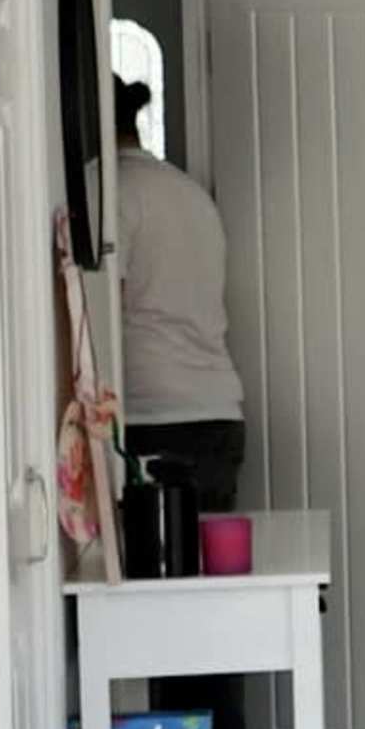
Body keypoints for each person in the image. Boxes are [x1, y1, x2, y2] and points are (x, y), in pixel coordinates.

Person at [112, 82, 242, 507]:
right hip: (217, 412)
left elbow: (99, 309)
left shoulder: (109, 192)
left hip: (150, 417)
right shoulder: (189, 192)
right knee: (208, 567)